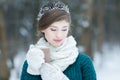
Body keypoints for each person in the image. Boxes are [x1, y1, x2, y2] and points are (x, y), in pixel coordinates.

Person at [20, 1, 96, 80]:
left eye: (64, 29)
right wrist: (35, 69)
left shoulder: (83, 63)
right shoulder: (32, 63)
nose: (59, 35)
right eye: (53, 29)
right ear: (42, 28)